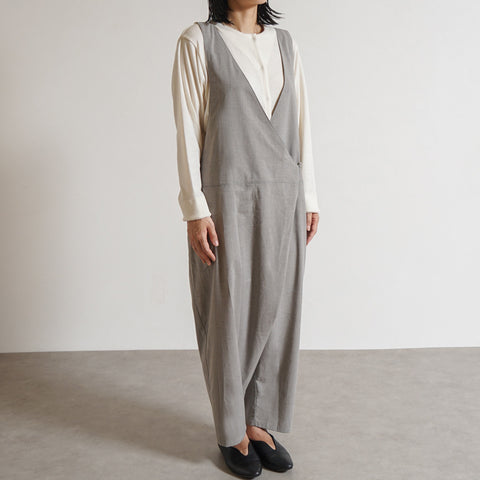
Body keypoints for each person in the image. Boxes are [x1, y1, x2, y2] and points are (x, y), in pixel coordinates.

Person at [171, 0, 319, 477]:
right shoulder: (198, 42)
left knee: (278, 312)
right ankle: (231, 429)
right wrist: (195, 209)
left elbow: (302, 124)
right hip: (226, 197)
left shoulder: (286, 44)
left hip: (285, 194)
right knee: (228, 313)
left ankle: (257, 422)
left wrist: (310, 196)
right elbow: (187, 131)